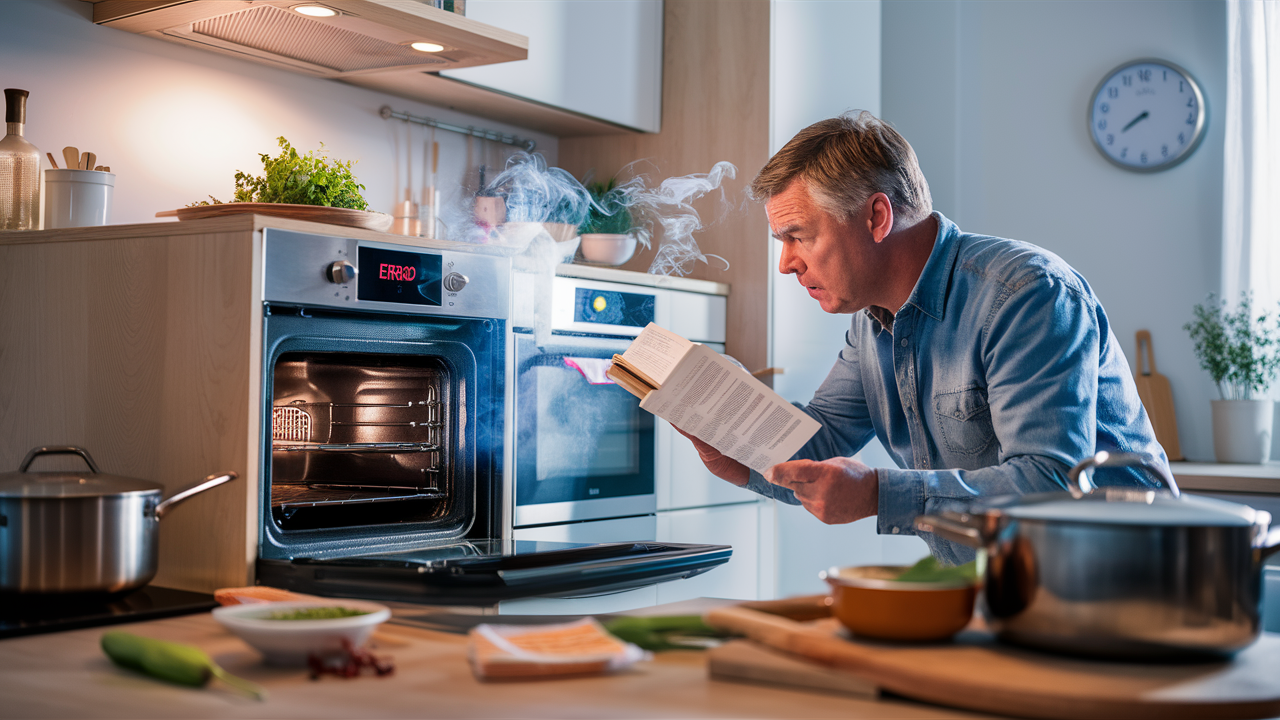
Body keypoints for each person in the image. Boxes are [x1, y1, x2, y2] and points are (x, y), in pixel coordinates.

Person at [676, 111, 1168, 565]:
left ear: (876, 217)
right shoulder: (872, 322)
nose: (786, 263)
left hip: (1119, 583)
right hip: (997, 589)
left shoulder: (1026, 295)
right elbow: (818, 439)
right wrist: (738, 456)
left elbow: (1050, 483)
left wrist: (878, 493)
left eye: (798, 236)